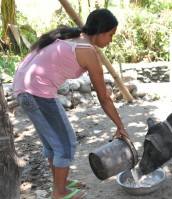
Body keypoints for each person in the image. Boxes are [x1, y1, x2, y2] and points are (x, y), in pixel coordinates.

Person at [12, 8, 129, 199]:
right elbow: (104, 97)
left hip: (23, 89)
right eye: (110, 35)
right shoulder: (86, 50)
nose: (110, 40)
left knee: (53, 143)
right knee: (66, 143)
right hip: (36, 92)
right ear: (99, 30)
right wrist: (121, 126)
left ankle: (61, 183)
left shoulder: (73, 37)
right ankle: (59, 193)